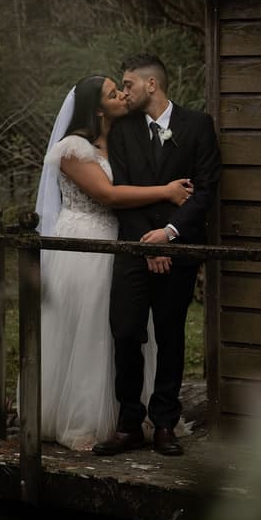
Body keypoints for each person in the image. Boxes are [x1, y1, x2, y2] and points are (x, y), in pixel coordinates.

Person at [35, 75, 193, 451]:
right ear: (97, 108)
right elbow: (107, 194)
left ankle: (133, 414)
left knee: (123, 331)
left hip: (120, 242)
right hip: (86, 244)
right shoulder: (73, 148)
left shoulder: (121, 140)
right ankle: (86, 418)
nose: (122, 95)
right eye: (113, 93)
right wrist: (167, 192)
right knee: (90, 331)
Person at [92, 53, 221, 457]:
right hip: (133, 248)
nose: (123, 91)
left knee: (170, 335)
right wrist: (147, 243)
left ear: (152, 85)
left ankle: (164, 423)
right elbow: (121, 193)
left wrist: (168, 234)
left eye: (128, 84)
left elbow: (205, 188)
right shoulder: (123, 130)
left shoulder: (197, 125)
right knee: (126, 331)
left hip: (179, 247)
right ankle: (130, 423)